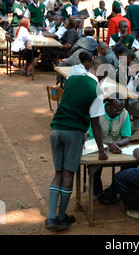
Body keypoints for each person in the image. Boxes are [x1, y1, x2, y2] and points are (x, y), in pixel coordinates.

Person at [45, 56, 109, 231]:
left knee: (58, 173)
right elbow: (95, 124)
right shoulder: (97, 91)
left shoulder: (73, 77)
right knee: (68, 175)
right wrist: (101, 150)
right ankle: (60, 216)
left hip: (56, 129)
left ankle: (51, 217)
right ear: (103, 75)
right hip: (74, 133)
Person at [88, 95, 132, 198]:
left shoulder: (124, 114)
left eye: (121, 109)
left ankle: (113, 190)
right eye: (116, 109)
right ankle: (99, 194)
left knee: (130, 165)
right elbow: (92, 138)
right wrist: (109, 145)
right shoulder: (97, 113)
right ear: (108, 105)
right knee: (94, 168)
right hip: (97, 147)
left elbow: (126, 137)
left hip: (116, 148)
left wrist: (116, 144)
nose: (118, 113)